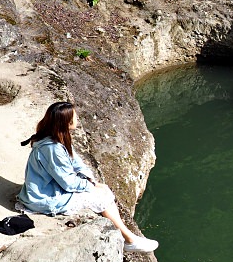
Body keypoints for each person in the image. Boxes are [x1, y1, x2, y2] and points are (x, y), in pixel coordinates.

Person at [16, 101, 158, 253]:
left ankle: (129, 237)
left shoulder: (57, 137)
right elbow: (68, 183)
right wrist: (89, 186)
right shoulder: (52, 148)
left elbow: (77, 162)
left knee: (103, 190)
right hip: (45, 197)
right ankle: (129, 240)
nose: (77, 118)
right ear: (67, 122)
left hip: (51, 188)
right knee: (101, 197)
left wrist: (91, 180)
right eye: (74, 116)